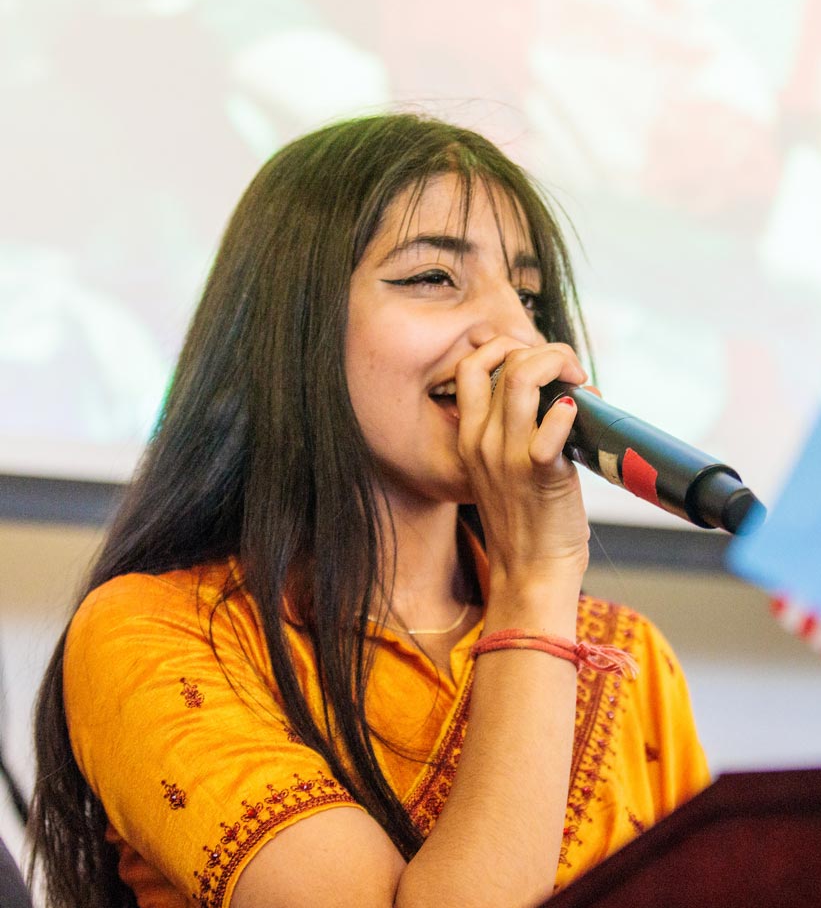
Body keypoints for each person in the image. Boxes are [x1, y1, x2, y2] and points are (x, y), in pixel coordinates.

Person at [28, 113, 710, 908]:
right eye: (432, 278)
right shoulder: (158, 633)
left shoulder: (626, 658)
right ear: (295, 325)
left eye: (526, 293)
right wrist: (534, 584)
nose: (516, 335)